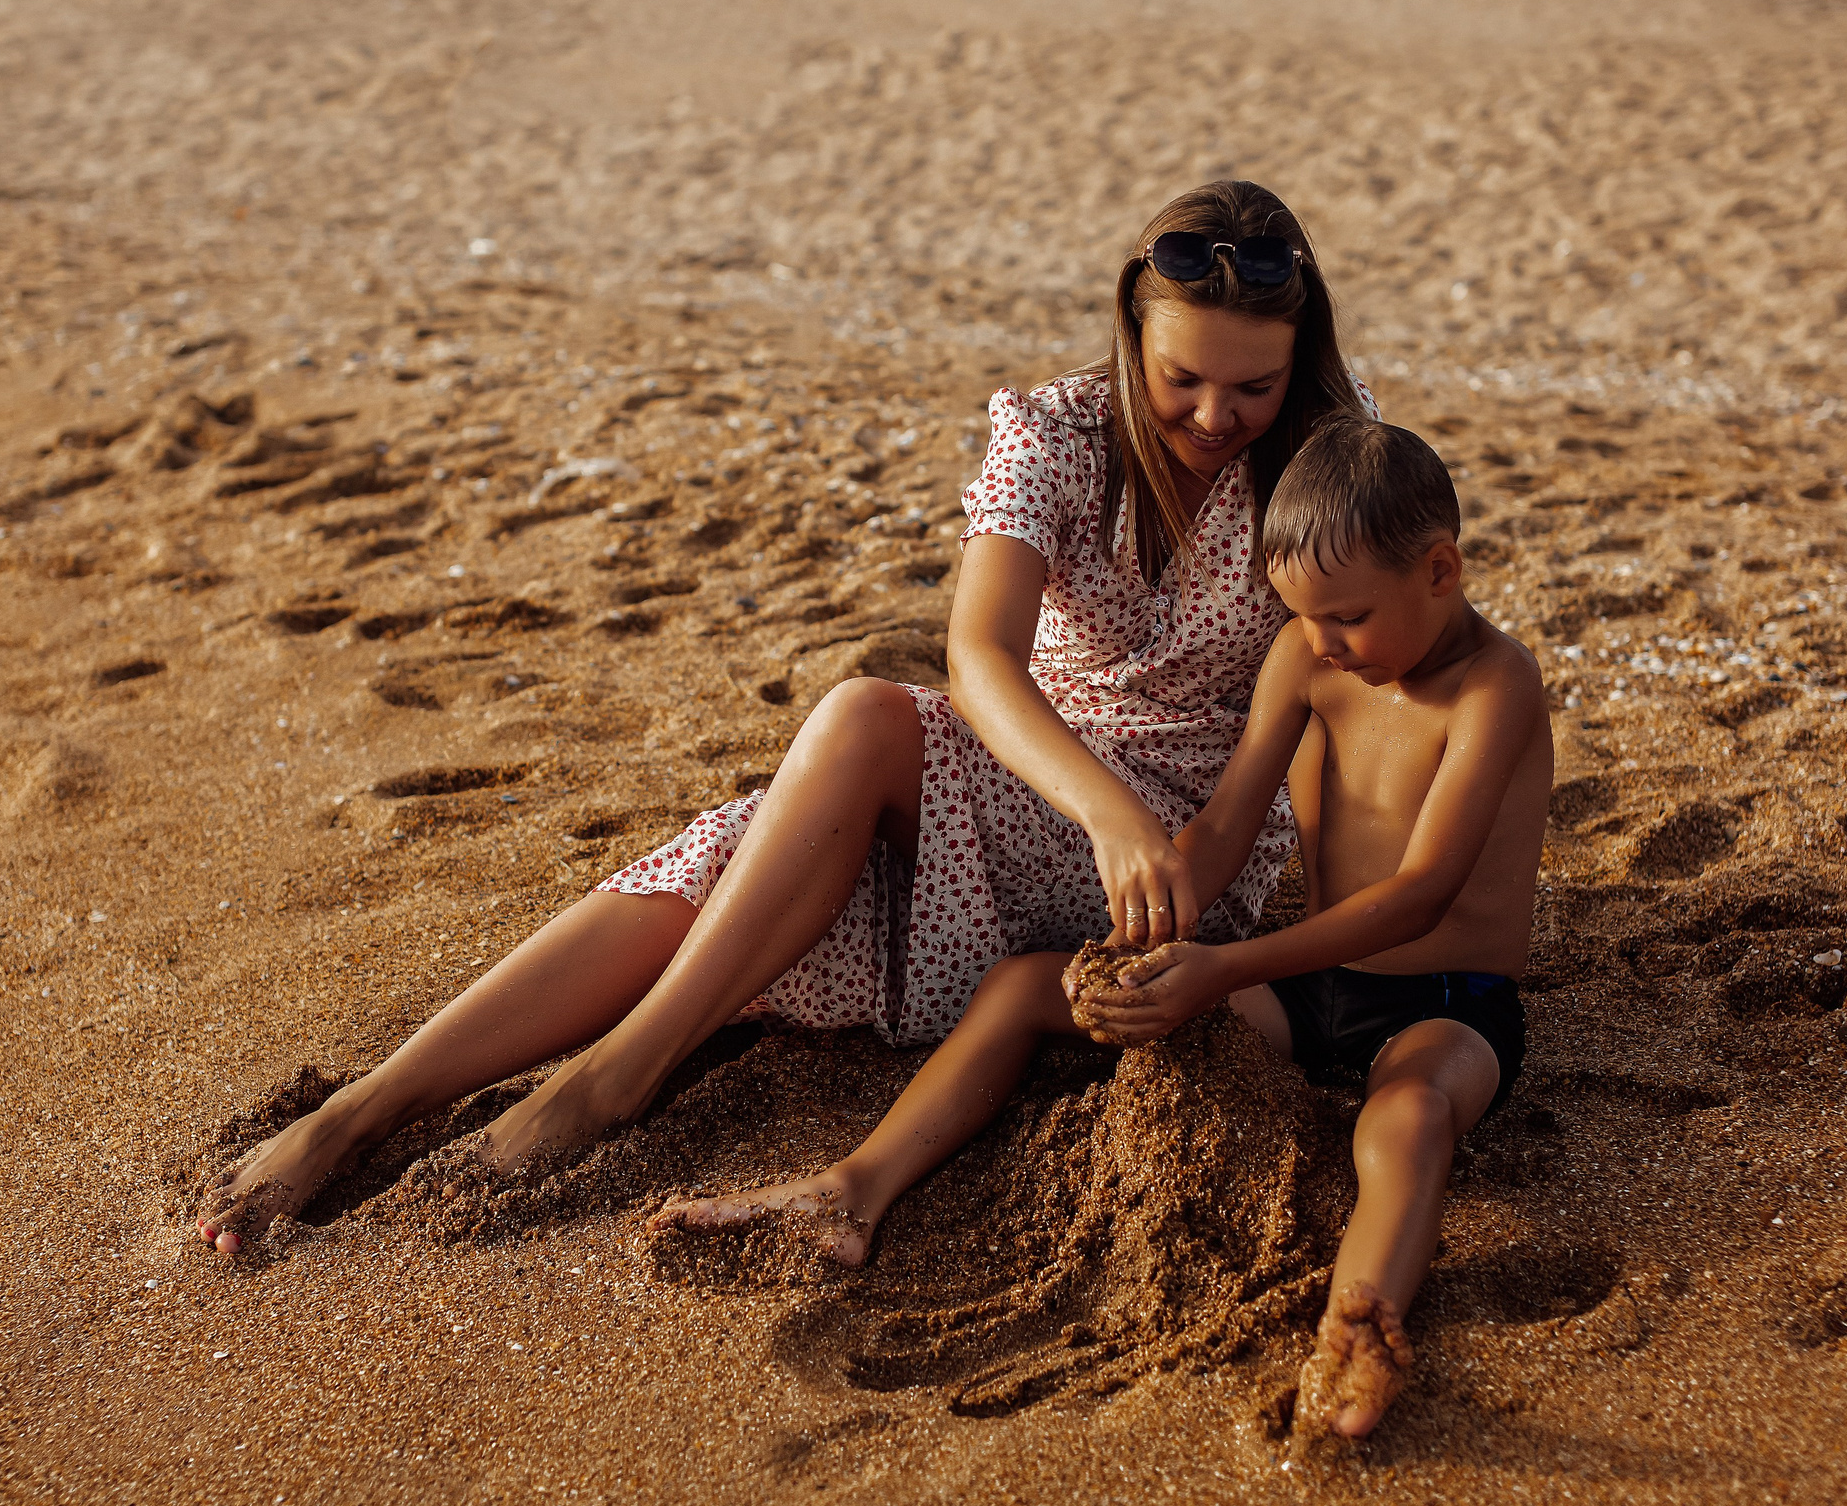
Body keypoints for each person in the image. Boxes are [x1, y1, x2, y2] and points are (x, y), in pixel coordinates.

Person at [194, 179, 1380, 1254]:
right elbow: (979, 656)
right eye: (1182, 379)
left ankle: (616, 1075)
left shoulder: (1330, 457)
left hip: (1173, 853)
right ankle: (370, 1105)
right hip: (1055, 783)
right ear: (1130, 339)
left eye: (1252, 386)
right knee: (740, 848)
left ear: (1299, 363)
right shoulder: (1056, 432)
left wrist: (1292, 914)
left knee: (862, 722)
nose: (1217, 415)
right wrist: (1097, 803)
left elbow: (1347, 696)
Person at [655, 413, 1552, 1441]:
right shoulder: (1309, 662)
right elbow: (1218, 833)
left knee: (1407, 1116)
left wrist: (1219, 970)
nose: (1321, 641)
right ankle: (850, 1190)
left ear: (1440, 570)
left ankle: (1361, 1321)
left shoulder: (1494, 686)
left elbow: (1421, 894)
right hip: (1309, 989)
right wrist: (1153, 932)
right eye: (1302, 618)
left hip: (1443, 1001)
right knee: (1023, 989)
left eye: (1345, 617)